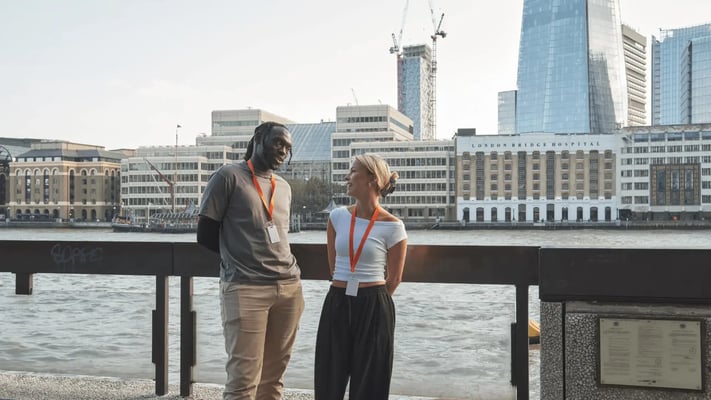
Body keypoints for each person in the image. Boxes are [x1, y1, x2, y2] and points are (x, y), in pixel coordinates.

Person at [197, 121, 305, 400]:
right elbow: (205, 234)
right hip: (246, 289)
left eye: (288, 148)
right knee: (243, 381)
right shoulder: (228, 176)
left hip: (289, 288)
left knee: (273, 379)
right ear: (258, 139)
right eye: (278, 143)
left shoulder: (283, 187)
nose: (283, 151)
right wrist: (240, 261)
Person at [314, 153, 408, 400]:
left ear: (371, 179)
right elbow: (333, 267)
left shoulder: (394, 226)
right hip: (337, 300)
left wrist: (371, 302)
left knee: (371, 381)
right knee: (328, 376)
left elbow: (395, 278)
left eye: (353, 171)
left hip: (374, 304)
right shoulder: (337, 218)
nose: (347, 177)